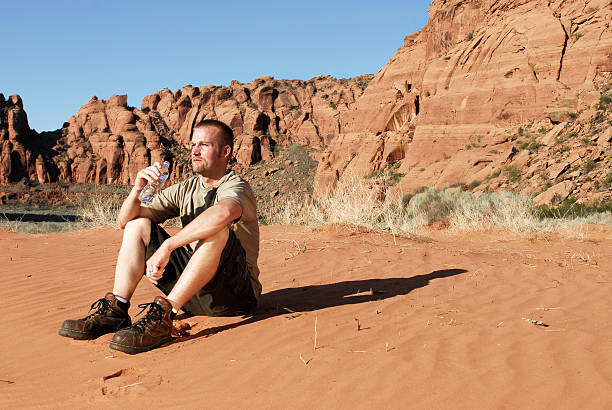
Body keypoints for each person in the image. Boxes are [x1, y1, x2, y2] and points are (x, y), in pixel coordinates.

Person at [58, 119, 260, 354]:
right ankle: (117, 310)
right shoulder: (187, 188)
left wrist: (168, 246)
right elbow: (126, 221)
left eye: (204, 145)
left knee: (217, 229)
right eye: (193, 144)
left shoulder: (236, 186)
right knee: (139, 225)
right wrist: (138, 190)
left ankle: (165, 317)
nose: (194, 150)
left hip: (236, 296)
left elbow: (225, 212)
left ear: (225, 151)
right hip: (196, 294)